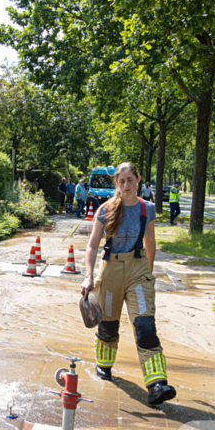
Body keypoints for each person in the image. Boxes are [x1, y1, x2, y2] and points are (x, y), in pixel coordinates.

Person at [81, 162, 176, 407]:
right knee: (109, 326)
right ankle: (104, 366)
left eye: (130, 180)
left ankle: (156, 384)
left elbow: (150, 243)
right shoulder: (106, 209)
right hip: (110, 271)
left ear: (138, 180)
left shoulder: (148, 209)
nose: (126, 185)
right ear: (117, 183)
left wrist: (148, 273)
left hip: (137, 270)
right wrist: (88, 276)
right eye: (121, 181)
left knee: (145, 325)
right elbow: (92, 246)